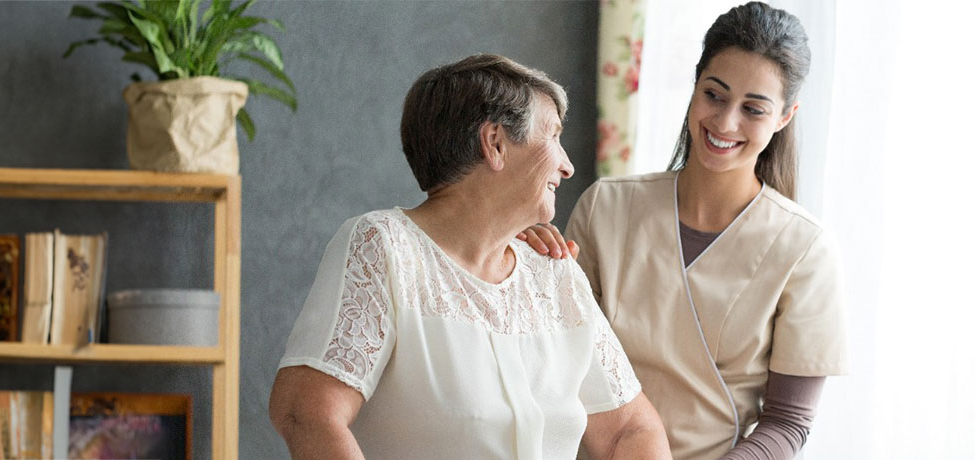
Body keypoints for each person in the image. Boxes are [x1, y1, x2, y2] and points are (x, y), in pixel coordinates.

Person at [269, 54, 671, 460]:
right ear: (495, 143)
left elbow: (630, 430)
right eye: (553, 136)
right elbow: (305, 412)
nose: (567, 166)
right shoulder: (386, 248)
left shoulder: (554, 274)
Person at [518, 3, 847, 459]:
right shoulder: (607, 207)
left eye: (753, 108)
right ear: (695, 87)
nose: (726, 122)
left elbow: (787, 424)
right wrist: (526, 271)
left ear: (784, 117)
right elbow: (557, 364)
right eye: (715, 95)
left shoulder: (805, 249)